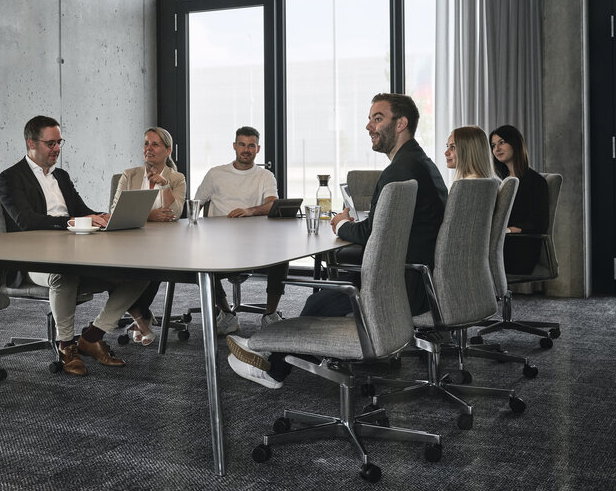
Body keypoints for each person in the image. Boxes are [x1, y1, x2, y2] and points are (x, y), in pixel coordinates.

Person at [226, 93, 448, 388]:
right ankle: (279, 351)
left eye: (377, 118)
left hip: (402, 285)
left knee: (320, 299)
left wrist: (341, 223)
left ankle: (273, 370)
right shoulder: (421, 163)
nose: (369, 126)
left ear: (401, 123)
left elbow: (371, 235)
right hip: (423, 278)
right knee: (333, 289)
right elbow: (388, 230)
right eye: (370, 118)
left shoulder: (399, 172)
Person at [0, 115, 148, 377]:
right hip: (32, 260)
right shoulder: (10, 178)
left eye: (59, 142)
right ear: (31, 143)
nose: (57, 149)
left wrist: (102, 216)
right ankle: (66, 345)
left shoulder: (62, 176)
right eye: (50, 143)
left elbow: (82, 211)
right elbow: (26, 221)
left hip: (73, 252)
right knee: (63, 275)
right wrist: (73, 221)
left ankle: (92, 335)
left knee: (140, 272)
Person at [194, 126, 284, 336]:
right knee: (200, 262)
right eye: (242, 144)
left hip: (255, 243)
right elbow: (195, 204)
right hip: (218, 243)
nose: (246, 149)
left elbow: (273, 204)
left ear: (257, 149)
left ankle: (270, 315)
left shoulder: (264, 176)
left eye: (251, 145)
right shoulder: (216, 174)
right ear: (234, 146)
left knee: (282, 258)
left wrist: (249, 211)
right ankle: (226, 313)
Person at [112, 127, 186, 346]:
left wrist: (164, 184)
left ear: (168, 150)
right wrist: (152, 215)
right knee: (114, 271)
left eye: (155, 144)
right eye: (146, 143)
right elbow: (116, 210)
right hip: (129, 239)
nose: (148, 148)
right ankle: (142, 320)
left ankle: (139, 318)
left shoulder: (176, 178)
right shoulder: (130, 175)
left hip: (163, 243)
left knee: (154, 265)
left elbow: (175, 213)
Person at [490, 124, 549, 274]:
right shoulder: (498, 181)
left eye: (502, 142)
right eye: (493, 145)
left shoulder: (536, 181)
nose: (496, 149)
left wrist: (509, 230)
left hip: (521, 246)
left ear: (515, 143)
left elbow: (540, 223)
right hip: (500, 242)